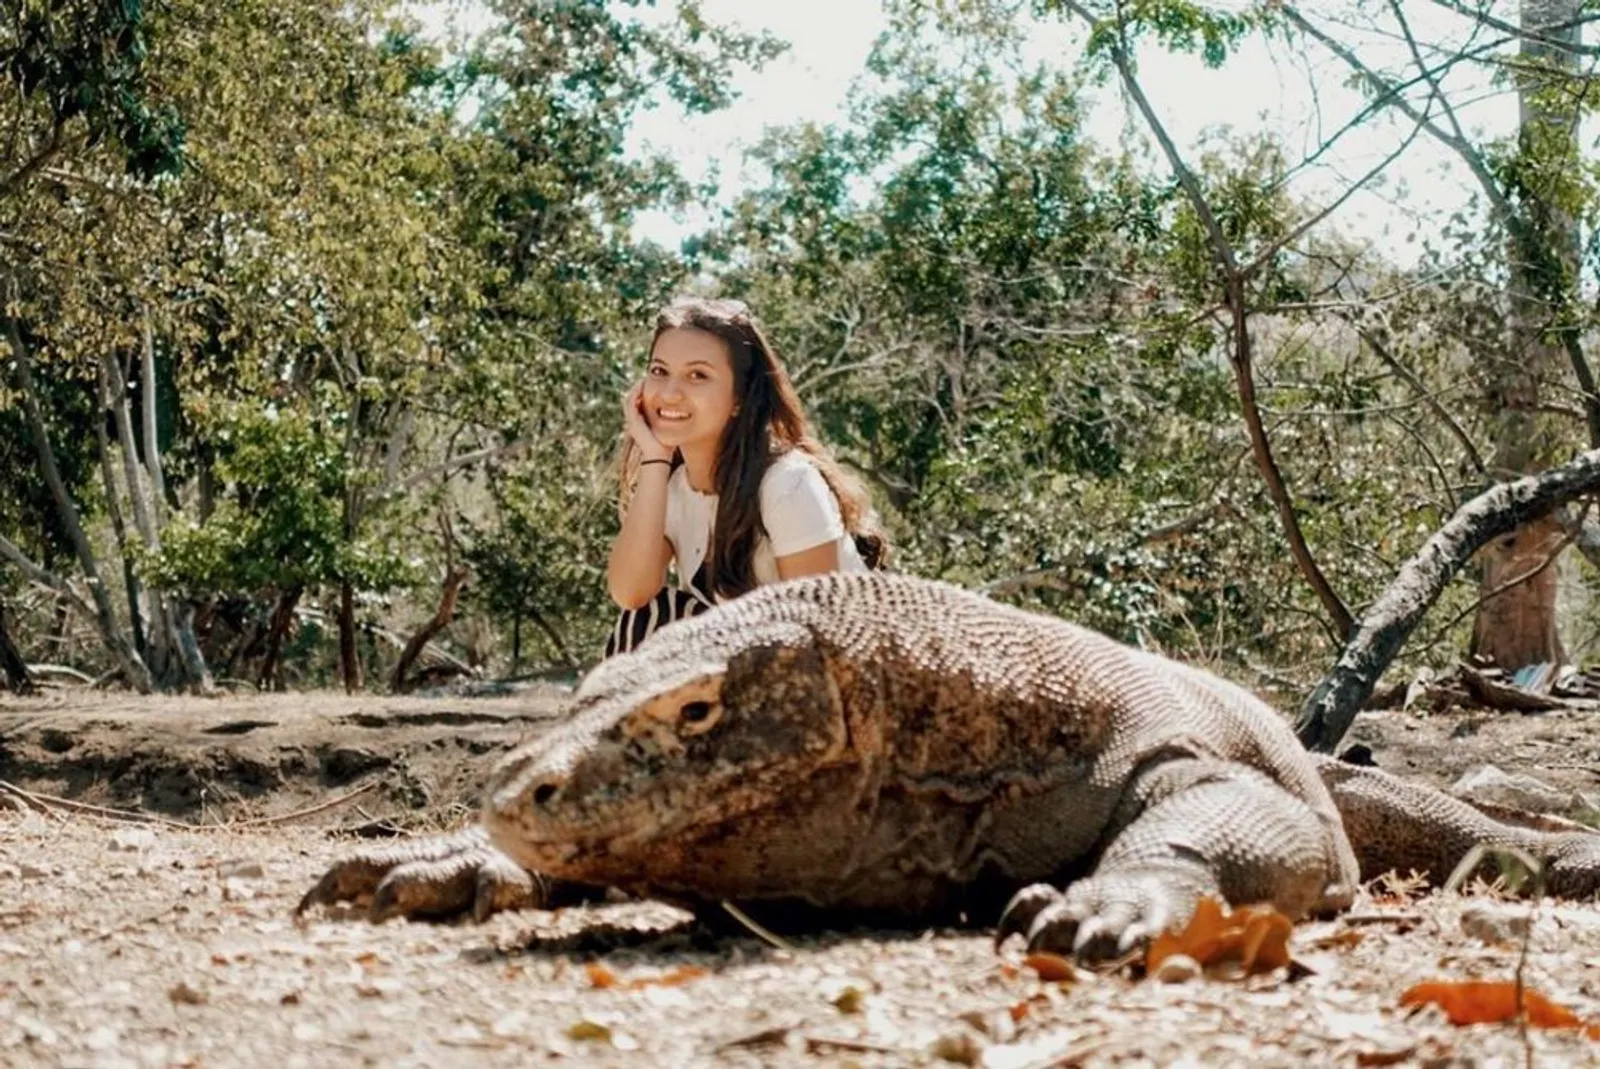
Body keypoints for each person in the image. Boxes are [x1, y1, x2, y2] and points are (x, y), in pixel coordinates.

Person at [604, 296, 886, 655]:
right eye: (659, 371)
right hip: (755, 664)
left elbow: (821, 633)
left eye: (697, 375)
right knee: (646, 620)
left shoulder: (787, 484)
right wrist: (655, 459)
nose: (670, 393)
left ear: (739, 397)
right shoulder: (673, 491)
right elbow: (631, 593)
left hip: (837, 674)